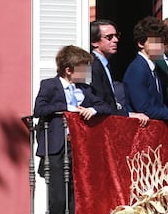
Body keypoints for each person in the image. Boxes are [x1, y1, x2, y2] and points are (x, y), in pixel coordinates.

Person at [33, 45, 115, 214]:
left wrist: (93, 110)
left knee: (76, 194)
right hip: (56, 147)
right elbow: (39, 109)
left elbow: (107, 106)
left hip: (79, 148)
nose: (87, 73)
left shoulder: (85, 89)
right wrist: (68, 107)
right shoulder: (49, 85)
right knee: (58, 197)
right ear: (68, 70)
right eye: (83, 68)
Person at [122, 16, 168, 131]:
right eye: (156, 42)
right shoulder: (137, 69)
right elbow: (145, 108)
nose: (160, 46)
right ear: (141, 43)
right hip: (139, 133)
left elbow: (159, 103)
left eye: (162, 42)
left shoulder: (152, 67)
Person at [90, 19, 149, 126]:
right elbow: (99, 101)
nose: (116, 40)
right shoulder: (91, 66)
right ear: (94, 42)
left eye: (117, 35)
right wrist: (128, 115)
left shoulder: (104, 64)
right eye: (109, 37)